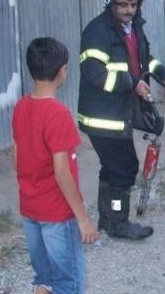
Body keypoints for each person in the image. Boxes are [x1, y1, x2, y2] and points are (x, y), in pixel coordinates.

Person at [77, 0, 165, 240]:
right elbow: (95, 73)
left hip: (118, 112)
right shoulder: (97, 31)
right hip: (103, 116)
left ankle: (107, 219)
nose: (129, 10)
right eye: (123, 4)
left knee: (112, 167)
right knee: (124, 166)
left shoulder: (134, 28)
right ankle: (118, 221)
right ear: (110, 3)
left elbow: (145, 60)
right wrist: (131, 83)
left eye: (133, 5)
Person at [13, 37, 98, 294]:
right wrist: (83, 219)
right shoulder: (58, 114)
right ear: (62, 71)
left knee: (44, 278)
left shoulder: (21, 107)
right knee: (68, 283)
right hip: (57, 215)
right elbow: (62, 173)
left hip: (30, 209)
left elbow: (17, 157)